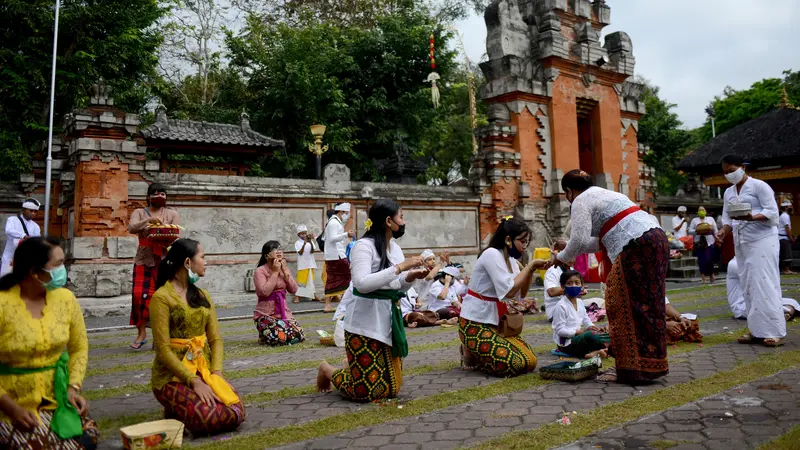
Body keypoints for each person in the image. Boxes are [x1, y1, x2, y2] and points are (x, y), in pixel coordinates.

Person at [554, 169, 669, 383]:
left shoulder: (580, 201)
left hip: (635, 246)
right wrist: (567, 248)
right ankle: (652, 366)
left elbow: (578, 240)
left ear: (569, 192)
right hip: (656, 238)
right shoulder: (608, 194)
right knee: (649, 305)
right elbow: (598, 241)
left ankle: (631, 370)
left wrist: (560, 257)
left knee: (619, 304)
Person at [316, 199, 428, 401]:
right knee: (367, 391)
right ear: (388, 221)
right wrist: (401, 267)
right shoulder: (363, 246)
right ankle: (327, 370)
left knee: (392, 388)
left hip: (387, 321)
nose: (403, 222)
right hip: (363, 324)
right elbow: (362, 284)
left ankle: (351, 364)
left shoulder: (393, 247)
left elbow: (396, 284)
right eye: (401, 217)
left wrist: (411, 276)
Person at [0, 237, 98, 449]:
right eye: (58, 264)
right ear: (35, 272)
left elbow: (79, 347)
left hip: (57, 398)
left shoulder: (66, 299)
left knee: (87, 438)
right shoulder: (3, 303)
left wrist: (72, 388)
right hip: (10, 405)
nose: (64, 269)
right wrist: (12, 409)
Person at [150, 239, 245, 436]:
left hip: (203, 369)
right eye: (202, 257)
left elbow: (216, 340)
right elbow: (163, 349)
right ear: (187, 263)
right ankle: (174, 407)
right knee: (209, 418)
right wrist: (193, 381)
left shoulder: (203, 296)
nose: (206, 262)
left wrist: (216, 374)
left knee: (235, 411)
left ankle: (177, 410)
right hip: (171, 376)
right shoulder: (161, 298)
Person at [459, 216, 548, 377]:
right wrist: (530, 266)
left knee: (530, 361)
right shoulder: (491, 254)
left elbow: (521, 293)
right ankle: (470, 350)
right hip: (475, 322)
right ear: (508, 239)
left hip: (497, 322)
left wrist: (531, 270)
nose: (524, 246)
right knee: (515, 363)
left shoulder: (512, 261)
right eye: (522, 241)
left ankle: (474, 352)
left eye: (526, 242)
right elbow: (509, 291)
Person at [717, 155, 785, 347]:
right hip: (742, 242)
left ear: (743, 167)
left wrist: (752, 217)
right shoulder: (729, 192)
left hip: (762, 239)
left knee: (765, 282)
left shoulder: (759, 186)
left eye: (732, 170)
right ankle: (756, 330)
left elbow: (772, 212)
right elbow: (728, 219)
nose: (729, 174)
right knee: (748, 285)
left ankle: (774, 331)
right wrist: (723, 231)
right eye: (726, 172)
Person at [127, 183, 181, 350]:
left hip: (165, 260)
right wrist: (149, 220)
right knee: (139, 296)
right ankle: (141, 333)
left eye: (163, 194)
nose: (160, 196)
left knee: (165, 299)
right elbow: (131, 227)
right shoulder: (139, 212)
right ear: (149, 196)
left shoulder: (172, 213)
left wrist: (163, 231)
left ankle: (161, 337)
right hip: (144, 259)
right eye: (156, 193)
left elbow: (177, 235)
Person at [253, 241, 304, 346]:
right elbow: (265, 292)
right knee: (280, 337)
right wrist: (275, 272)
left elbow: (294, 289)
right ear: (266, 255)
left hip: (283, 312)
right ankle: (265, 333)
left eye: (280, 249)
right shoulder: (260, 271)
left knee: (299, 335)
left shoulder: (284, 268)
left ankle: (266, 335)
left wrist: (285, 271)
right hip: (266, 313)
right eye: (275, 250)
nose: (279, 252)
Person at [551, 270, 610, 359]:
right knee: (590, 335)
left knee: (606, 334)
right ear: (563, 286)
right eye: (569, 283)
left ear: (581, 286)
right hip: (566, 344)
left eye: (577, 283)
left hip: (580, 337)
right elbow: (560, 331)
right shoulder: (561, 306)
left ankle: (598, 352)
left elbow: (587, 321)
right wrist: (581, 332)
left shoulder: (580, 302)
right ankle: (602, 351)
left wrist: (595, 328)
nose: (573, 286)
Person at [726, 258, 798, 322]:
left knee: (793, 302)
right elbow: (759, 280)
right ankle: (785, 312)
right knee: (767, 307)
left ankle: (785, 313)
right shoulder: (734, 264)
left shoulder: (749, 261)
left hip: (756, 300)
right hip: (742, 306)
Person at [322, 203, 355, 312]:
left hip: (333, 256)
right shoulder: (334, 223)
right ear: (340, 212)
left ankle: (329, 305)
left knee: (331, 279)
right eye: (346, 213)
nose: (347, 216)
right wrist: (346, 234)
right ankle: (346, 303)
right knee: (349, 277)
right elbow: (332, 239)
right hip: (337, 256)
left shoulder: (332, 222)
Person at [1, 199, 42, 277]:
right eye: (31, 211)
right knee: (5, 282)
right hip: (9, 258)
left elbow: (37, 241)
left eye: (35, 211)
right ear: (23, 210)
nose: (33, 213)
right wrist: (23, 235)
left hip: (25, 260)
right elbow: (8, 231)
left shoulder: (35, 226)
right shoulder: (12, 220)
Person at [689, 206, 718, 284]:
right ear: (697, 212)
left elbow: (715, 230)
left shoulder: (710, 219)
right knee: (701, 260)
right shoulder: (694, 220)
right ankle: (703, 277)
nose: (701, 211)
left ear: (705, 211)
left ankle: (712, 275)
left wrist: (717, 237)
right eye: (699, 210)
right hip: (699, 242)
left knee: (710, 259)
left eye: (702, 210)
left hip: (710, 241)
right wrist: (697, 230)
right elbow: (690, 230)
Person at [294, 225, 321, 303]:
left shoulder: (310, 241)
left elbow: (312, 251)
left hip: (311, 263)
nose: (304, 235)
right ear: (298, 235)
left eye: (305, 233)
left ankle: (313, 296)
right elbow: (300, 252)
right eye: (302, 234)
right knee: (301, 282)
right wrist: (304, 244)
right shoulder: (297, 243)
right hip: (303, 265)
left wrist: (310, 243)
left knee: (311, 281)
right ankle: (297, 297)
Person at [779, 200, 795, 274]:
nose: (791, 208)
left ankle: (787, 269)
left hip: (784, 238)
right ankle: (786, 270)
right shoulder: (785, 216)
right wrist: (791, 238)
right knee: (786, 254)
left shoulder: (785, 215)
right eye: (790, 206)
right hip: (783, 238)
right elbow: (787, 228)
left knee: (786, 253)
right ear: (786, 207)